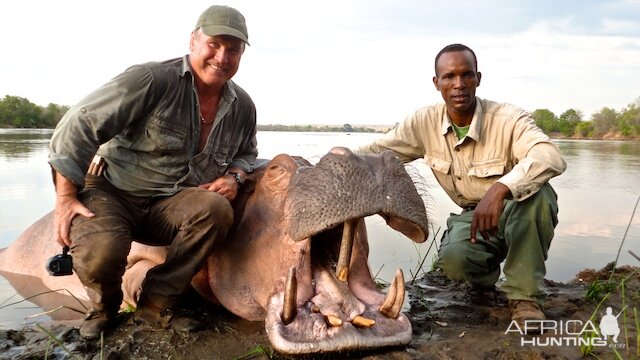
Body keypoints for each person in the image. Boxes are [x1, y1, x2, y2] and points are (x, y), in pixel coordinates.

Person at [48, 5, 257, 340]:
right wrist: (65, 196)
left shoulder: (243, 106)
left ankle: (156, 305)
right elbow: (78, 125)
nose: (222, 57)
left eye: (233, 49)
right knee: (102, 251)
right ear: (193, 40)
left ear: (242, 53)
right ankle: (104, 308)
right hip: (114, 191)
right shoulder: (150, 79)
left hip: (172, 202)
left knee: (215, 209)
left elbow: (247, 152)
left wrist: (234, 176)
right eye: (214, 44)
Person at [355, 43, 566, 329]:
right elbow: (375, 152)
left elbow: (548, 156)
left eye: (466, 75)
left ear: (478, 78)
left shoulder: (508, 119)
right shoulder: (423, 122)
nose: (458, 85)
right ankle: (484, 278)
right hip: (474, 216)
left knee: (539, 197)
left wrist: (500, 189)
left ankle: (525, 297)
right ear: (436, 83)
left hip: (516, 207)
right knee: (454, 267)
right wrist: (327, 165)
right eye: (449, 77)